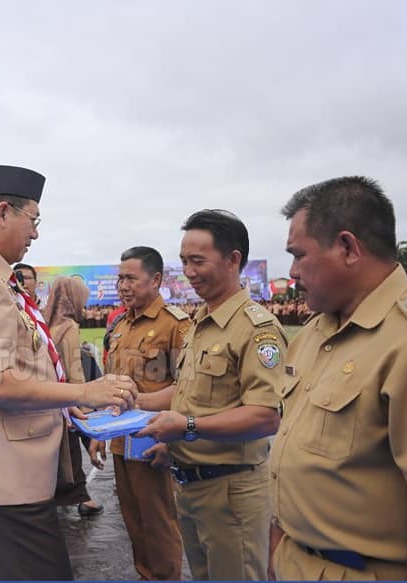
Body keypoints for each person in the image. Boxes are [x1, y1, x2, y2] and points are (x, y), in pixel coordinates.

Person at [269, 176, 407, 580]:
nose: (293, 271)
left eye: (299, 255)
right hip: (296, 562)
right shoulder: (315, 334)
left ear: (348, 248)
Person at [0, 164, 138, 580]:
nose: (36, 234)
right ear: (4, 212)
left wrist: (66, 407)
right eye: (34, 220)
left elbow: (18, 365)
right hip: (2, 479)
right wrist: (84, 394)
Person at [137, 209, 284, 580]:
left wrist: (186, 426)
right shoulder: (202, 323)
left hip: (232, 493)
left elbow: (265, 415)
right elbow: (192, 392)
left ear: (233, 259)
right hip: (191, 486)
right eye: (184, 261)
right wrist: (137, 405)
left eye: (198, 261)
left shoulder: (257, 329)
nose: (188, 271)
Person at [88, 246, 190, 580]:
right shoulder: (119, 326)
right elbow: (111, 387)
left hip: (153, 440)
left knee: (158, 525)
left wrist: (167, 440)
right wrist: (99, 435)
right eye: (120, 278)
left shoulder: (175, 326)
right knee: (134, 524)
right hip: (121, 442)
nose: (123, 285)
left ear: (156, 279)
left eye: (131, 278)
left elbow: (188, 389)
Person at [44, 276, 104, 516]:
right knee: (72, 451)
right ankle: (83, 498)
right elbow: (74, 368)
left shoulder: (47, 324)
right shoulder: (69, 326)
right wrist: (85, 402)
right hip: (67, 396)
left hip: (49, 395)